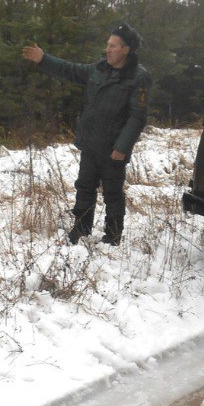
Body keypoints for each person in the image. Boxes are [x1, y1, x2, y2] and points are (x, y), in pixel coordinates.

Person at [21, 23, 150, 245]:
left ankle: (113, 236)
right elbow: (70, 70)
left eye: (113, 46)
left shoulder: (138, 77)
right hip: (91, 143)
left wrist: (122, 147)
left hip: (113, 147)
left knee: (112, 193)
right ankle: (81, 228)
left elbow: (137, 117)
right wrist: (44, 59)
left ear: (126, 49)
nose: (107, 49)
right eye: (107, 45)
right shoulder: (100, 69)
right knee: (84, 187)